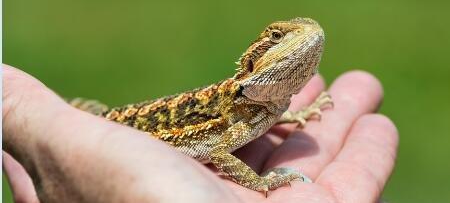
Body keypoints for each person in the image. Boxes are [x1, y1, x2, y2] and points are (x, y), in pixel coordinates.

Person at [2, 64, 398, 203]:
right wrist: (259, 183)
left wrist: (296, 114)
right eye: (277, 38)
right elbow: (222, 153)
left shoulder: (261, 106)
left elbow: (254, 122)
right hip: (125, 126)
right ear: (254, 63)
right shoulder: (238, 104)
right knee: (91, 112)